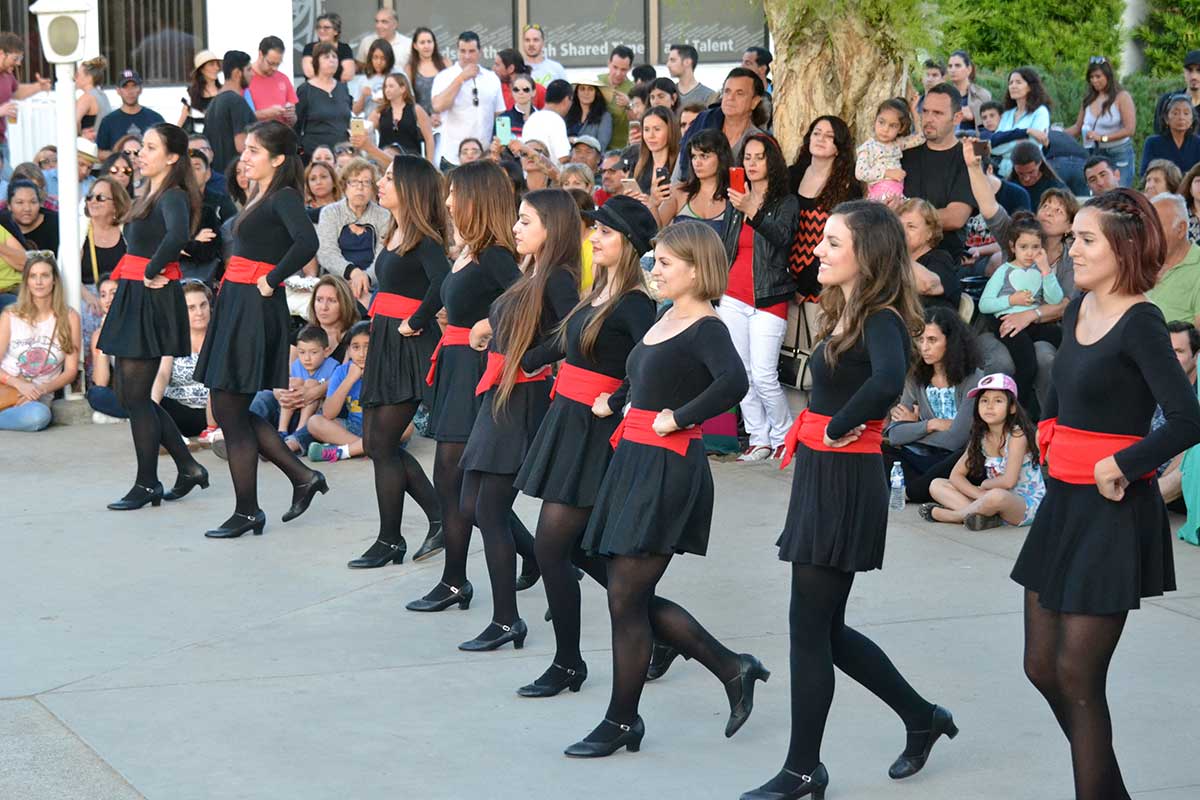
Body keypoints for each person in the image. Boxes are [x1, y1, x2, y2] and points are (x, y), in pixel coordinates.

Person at [742, 201, 952, 800]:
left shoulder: (881, 315)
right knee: (822, 628)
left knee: (808, 628)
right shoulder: (847, 310)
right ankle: (921, 716)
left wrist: (839, 424)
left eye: (834, 242)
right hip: (824, 473)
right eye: (823, 240)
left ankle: (803, 769)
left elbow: (888, 381)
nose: (819, 251)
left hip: (844, 476)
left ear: (870, 253)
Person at [1011, 188, 1200, 799]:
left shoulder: (1142, 320)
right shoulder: (1077, 307)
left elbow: (1187, 419)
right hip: (1063, 502)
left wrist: (1125, 461)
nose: (1073, 249)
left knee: (1077, 673)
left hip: (1113, 510)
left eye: (1085, 239)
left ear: (1122, 248)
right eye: (1075, 239)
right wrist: (1047, 424)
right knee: (1042, 666)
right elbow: (1063, 380)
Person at [571, 221, 763, 758]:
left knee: (625, 600)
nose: (654, 268)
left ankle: (621, 720)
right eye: (654, 259)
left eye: (664, 262)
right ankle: (731, 667)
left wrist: (679, 416)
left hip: (669, 467)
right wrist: (619, 398)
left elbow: (734, 383)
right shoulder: (663, 316)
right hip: (633, 458)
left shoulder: (707, 326)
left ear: (698, 270)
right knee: (624, 593)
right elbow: (646, 374)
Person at [512, 194, 657, 697]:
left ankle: (569, 663)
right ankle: (667, 635)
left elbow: (648, 365)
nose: (593, 238)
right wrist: (519, 359)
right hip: (568, 423)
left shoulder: (636, 303)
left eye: (605, 233)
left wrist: (615, 400)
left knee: (552, 547)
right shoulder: (597, 291)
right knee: (577, 550)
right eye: (594, 229)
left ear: (630, 245)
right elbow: (567, 340)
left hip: (595, 434)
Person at [407, 160, 539, 604]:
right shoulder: (469, 249)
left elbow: (528, 304)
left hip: (476, 373)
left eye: (454, 195)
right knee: (456, 483)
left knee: (456, 480)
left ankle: (455, 580)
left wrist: (484, 323)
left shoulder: (495, 253)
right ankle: (528, 555)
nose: (446, 202)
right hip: (456, 367)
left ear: (476, 200)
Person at [454, 188, 580, 651]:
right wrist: (489, 328)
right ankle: (548, 572)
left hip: (521, 398)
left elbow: (576, 333)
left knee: (486, 508)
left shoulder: (559, 277)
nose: (516, 228)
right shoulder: (532, 269)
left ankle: (507, 619)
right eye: (518, 220)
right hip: (500, 394)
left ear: (553, 227)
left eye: (526, 221)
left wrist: (532, 360)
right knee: (472, 504)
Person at [193, 121, 325, 539]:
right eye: (245, 149)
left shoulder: (284, 195)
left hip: (254, 302)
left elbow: (307, 243)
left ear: (278, 159)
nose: (244, 157)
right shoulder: (261, 193)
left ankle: (253, 506)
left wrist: (272, 279)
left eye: (253, 150)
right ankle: (297, 479)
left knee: (231, 408)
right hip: (238, 300)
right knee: (229, 408)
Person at [95, 123, 207, 508]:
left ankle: (148, 483)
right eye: (142, 146)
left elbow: (178, 236)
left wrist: (149, 270)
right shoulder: (150, 191)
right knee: (130, 394)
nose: (141, 152)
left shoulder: (173, 194)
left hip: (149, 296)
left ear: (172, 157)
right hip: (134, 293)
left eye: (151, 147)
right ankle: (188, 466)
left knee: (137, 396)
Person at [348, 154, 447, 567]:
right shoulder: (392, 231)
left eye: (388, 178)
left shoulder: (424, 238)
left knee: (383, 443)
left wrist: (418, 319)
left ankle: (391, 539)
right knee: (375, 443)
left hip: (410, 346)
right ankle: (439, 516)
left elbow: (443, 282)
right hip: (387, 340)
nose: (380, 183)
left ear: (410, 188)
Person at [720, 133, 799, 462]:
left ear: (772, 162)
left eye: (759, 157)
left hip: (769, 295)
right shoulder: (736, 200)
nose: (751, 163)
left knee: (765, 374)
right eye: (747, 157)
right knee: (743, 372)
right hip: (732, 295)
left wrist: (754, 210)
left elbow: (783, 240)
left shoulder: (786, 202)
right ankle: (759, 438)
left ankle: (784, 435)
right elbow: (727, 246)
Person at [884, 306, 983, 502]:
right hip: (922, 456)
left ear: (951, 342)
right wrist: (930, 424)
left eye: (932, 340)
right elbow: (894, 435)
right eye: (920, 340)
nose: (924, 348)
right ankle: (928, 490)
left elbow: (956, 439)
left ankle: (913, 492)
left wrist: (914, 428)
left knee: (964, 456)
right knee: (881, 451)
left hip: (957, 460)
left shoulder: (973, 379)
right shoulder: (915, 377)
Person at [923, 372, 1045, 529]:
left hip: (1024, 504)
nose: (989, 406)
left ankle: (956, 516)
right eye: (984, 400)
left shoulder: (1017, 435)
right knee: (937, 484)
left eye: (998, 401)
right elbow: (956, 475)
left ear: (1012, 407)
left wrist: (986, 485)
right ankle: (983, 516)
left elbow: (1008, 481)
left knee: (997, 496)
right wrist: (979, 494)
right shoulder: (981, 437)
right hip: (990, 499)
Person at [978, 212, 1064, 413]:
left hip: (1033, 323)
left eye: (1035, 247)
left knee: (1061, 338)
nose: (1029, 253)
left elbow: (1056, 299)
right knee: (1027, 363)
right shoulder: (1004, 271)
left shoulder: (1040, 270)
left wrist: (1045, 270)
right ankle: (1019, 410)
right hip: (1008, 324)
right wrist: (1011, 300)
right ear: (1012, 247)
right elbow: (984, 304)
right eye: (1023, 247)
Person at [0, 254, 80, 431]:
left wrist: (40, 390)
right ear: (26, 281)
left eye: (44, 275)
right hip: (8, 386)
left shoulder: (69, 317)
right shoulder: (10, 315)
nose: (38, 282)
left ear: (54, 281)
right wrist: (19, 384)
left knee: (39, 417)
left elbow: (71, 372)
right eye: (33, 276)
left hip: (37, 398)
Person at [790, 116, 863, 305]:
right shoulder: (791, 175)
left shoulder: (848, 187)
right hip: (783, 281)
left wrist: (805, 286)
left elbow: (841, 242)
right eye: (816, 133)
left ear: (839, 146)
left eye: (829, 136)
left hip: (822, 283)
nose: (820, 139)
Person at [902, 83, 975, 264]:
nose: (928, 118)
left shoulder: (967, 158)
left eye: (938, 113)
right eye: (925, 111)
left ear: (957, 118)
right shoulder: (905, 155)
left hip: (943, 259)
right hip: (897, 254)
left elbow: (956, 217)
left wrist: (900, 218)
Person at [674, 67, 766, 184]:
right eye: (727, 91)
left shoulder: (759, 140)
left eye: (739, 93)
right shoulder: (703, 121)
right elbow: (680, 169)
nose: (730, 98)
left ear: (755, 101)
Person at [316, 157, 389, 301]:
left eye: (366, 182)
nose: (360, 188)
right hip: (337, 283)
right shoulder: (330, 213)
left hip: (373, 284)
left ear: (374, 188)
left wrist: (364, 279)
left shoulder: (384, 216)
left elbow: (383, 258)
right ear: (344, 186)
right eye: (354, 182)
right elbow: (327, 253)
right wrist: (353, 273)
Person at [431, 32, 504, 170]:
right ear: (457, 52)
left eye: (471, 51)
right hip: (453, 157)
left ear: (480, 52)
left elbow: (499, 115)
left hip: (484, 156)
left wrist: (501, 145)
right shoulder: (444, 77)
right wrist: (461, 78)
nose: (467, 56)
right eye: (462, 51)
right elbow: (438, 106)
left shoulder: (492, 78)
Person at [151, 280, 214, 438]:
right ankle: (165, 433)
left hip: (217, 412)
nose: (199, 312)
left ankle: (214, 432)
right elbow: (163, 374)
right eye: (191, 308)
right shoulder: (173, 338)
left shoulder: (220, 337)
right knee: (153, 403)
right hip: (179, 409)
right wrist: (152, 405)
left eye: (203, 305)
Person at [1063, 56, 1136, 188]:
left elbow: (1130, 129)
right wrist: (1057, 134)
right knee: (1098, 193)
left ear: (1108, 76)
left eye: (1098, 76)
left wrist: (1103, 138)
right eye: (1091, 78)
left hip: (1119, 152)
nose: (1094, 81)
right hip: (1095, 152)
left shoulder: (1122, 97)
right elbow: (1077, 128)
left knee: (1120, 192)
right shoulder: (1088, 100)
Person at [304, 320, 369, 461]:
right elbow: (328, 413)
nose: (362, 354)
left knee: (407, 427)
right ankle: (364, 448)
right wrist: (350, 379)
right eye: (356, 347)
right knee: (314, 422)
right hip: (354, 428)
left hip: (381, 429)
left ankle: (344, 451)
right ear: (348, 350)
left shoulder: (385, 369)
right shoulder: (341, 372)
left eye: (367, 346)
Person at [1159, 321, 1200, 514]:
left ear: (1196, 356)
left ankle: (1147, 502)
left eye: (1179, 351)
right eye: (1168, 350)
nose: (1171, 357)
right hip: (1141, 469)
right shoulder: (1150, 382)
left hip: (1182, 481)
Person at [662, 129, 732, 235]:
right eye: (694, 156)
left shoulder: (734, 197)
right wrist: (653, 203)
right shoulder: (678, 192)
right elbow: (653, 229)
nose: (697, 163)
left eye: (704, 156)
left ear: (721, 158)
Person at [0, 32, 52, 172]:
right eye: (15, 58)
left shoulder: (7, 75)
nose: (18, 63)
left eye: (20, 58)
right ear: (1, 53)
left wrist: (38, 87)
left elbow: (16, 92)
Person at [897, 197, 960, 310]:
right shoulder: (894, 261)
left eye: (911, 227)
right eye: (900, 226)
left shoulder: (940, 258)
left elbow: (928, 285)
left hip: (932, 323)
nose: (903, 232)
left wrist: (898, 252)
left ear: (929, 233)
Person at [855, 97, 924, 201]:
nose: (885, 129)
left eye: (893, 126)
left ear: (901, 128)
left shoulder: (897, 144)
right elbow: (860, 173)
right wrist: (888, 173)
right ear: (875, 121)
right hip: (880, 196)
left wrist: (914, 110)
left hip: (897, 195)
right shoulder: (868, 147)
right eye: (881, 122)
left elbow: (921, 137)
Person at [1147, 192, 1200, 325]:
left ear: (1181, 229)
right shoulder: (1143, 262)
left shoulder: (1197, 268)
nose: (1148, 234)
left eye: (1156, 227)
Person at [295, 43, 352, 163]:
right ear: (316, 62)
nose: (332, 60)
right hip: (314, 155)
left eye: (334, 57)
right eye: (326, 57)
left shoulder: (343, 88)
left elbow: (349, 120)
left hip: (341, 156)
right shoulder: (305, 90)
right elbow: (297, 125)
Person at [201, 51, 256, 174]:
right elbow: (242, 145)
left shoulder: (214, 103)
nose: (252, 74)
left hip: (217, 176)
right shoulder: (237, 102)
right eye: (249, 70)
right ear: (237, 73)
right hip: (234, 177)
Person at [278, 325, 336, 442]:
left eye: (313, 352)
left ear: (326, 352)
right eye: (302, 352)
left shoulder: (333, 366)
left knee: (311, 384)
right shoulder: (296, 365)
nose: (307, 358)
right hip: (296, 406)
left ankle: (300, 430)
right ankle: (282, 430)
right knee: (293, 384)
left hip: (318, 409)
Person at [364, 73, 434, 162]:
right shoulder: (379, 112)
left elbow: (429, 138)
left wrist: (429, 163)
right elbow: (365, 129)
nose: (387, 90)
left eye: (391, 86)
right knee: (386, 153)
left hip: (410, 158)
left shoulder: (416, 109)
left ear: (402, 88)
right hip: (385, 157)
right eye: (385, 87)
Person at [96, 70, 165, 159]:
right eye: (125, 87)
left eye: (134, 86)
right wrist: (121, 156)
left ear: (140, 89)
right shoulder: (108, 121)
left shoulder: (155, 119)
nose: (130, 91)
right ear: (118, 90)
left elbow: (165, 148)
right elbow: (99, 152)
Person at [1141, 96, 1200, 177]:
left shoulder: (1198, 143)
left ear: (1192, 119)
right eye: (1175, 113)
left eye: (1186, 113)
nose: (1181, 117)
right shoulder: (1153, 143)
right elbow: (1145, 174)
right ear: (1166, 119)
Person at [247, 37, 298, 126]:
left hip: (281, 135)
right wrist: (266, 113)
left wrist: (291, 116)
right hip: (256, 136)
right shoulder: (245, 77)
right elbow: (240, 116)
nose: (274, 68)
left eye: (278, 64)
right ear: (260, 55)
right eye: (271, 63)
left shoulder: (283, 78)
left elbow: (294, 120)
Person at [521, 79, 573, 163]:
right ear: (567, 99)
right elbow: (563, 157)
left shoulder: (531, 119)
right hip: (548, 174)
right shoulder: (556, 120)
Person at [632, 106, 678, 198]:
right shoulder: (639, 164)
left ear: (670, 130)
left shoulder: (679, 165)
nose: (650, 136)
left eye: (657, 129)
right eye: (646, 130)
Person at [1153, 50, 1200, 137]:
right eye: (1190, 70)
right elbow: (1159, 137)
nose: (1194, 76)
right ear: (1184, 72)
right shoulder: (1167, 101)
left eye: (1199, 71)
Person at [1009, 141, 1068, 209]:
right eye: (1020, 173)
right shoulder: (1008, 188)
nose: (1026, 178)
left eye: (1031, 172)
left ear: (1040, 163)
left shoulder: (1055, 187)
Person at [597, 46, 635, 150]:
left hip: (620, 149)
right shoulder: (597, 82)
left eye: (623, 69)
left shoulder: (633, 89)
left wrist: (629, 105)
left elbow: (637, 122)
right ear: (608, 63)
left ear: (630, 68)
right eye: (615, 67)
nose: (618, 73)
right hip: (596, 149)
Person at [301, 13, 356, 83]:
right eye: (319, 27)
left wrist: (332, 86)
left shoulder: (344, 48)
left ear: (336, 31)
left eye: (326, 28)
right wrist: (324, 85)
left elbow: (348, 74)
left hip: (337, 89)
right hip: (313, 89)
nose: (321, 30)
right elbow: (309, 72)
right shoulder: (310, 48)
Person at [7, 179, 57, 252]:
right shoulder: (3, 226)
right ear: (9, 206)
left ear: (40, 203)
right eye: (20, 202)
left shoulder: (55, 223)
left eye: (33, 202)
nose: (27, 208)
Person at [946, 50, 990, 132]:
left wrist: (974, 116)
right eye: (950, 66)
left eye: (957, 66)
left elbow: (989, 126)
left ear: (969, 69)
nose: (952, 70)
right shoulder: (943, 95)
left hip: (975, 141)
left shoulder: (982, 95)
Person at [406, 27, 446, 118]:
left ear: (434, 44)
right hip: (420, 121)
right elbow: (409, 99)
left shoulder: (446, 63)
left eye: (429, 42)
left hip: (444, 118)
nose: (426, 46)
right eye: (422, 42)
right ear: (415, 46)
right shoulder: (409, 68)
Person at [355, 8, 410, 72]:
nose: (378, 26)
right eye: (377, 21)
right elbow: (359, 67)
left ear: (395, 24)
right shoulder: (367, 42)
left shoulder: (408, 44)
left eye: (384, 22)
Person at [178, 50, 220, 135]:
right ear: (202, 70)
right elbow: (181, 121)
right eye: (211, 64)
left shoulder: (224, 92)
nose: (217, 68)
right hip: (198, 141)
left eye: (217, 64)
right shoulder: (191, 94)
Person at [565, 80, 613, 151]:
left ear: (596, 93)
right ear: (576, 93)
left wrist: (576, 140)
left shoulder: (605, 117)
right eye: (582, 89)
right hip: (567, 160)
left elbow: (601, 146)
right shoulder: (568, 113)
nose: (586, 93)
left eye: (590, 89)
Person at [667, 44, 716, 108]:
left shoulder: (708, 95)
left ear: (687, 62)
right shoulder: (668, 93)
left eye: (673, 60)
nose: (668, 64)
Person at [75, 55, 111, 139]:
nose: (75, 78)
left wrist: (80, 136)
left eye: (78, 75)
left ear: (89, 78)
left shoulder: (87, 97)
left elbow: (74, 121)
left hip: (89, 146)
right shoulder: (102, 95)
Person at [741, 47, 773, 129]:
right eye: (742, 62)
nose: (742, 66)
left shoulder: (780, 95)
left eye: (747, 63)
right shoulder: (739, 94)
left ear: (762, 69)